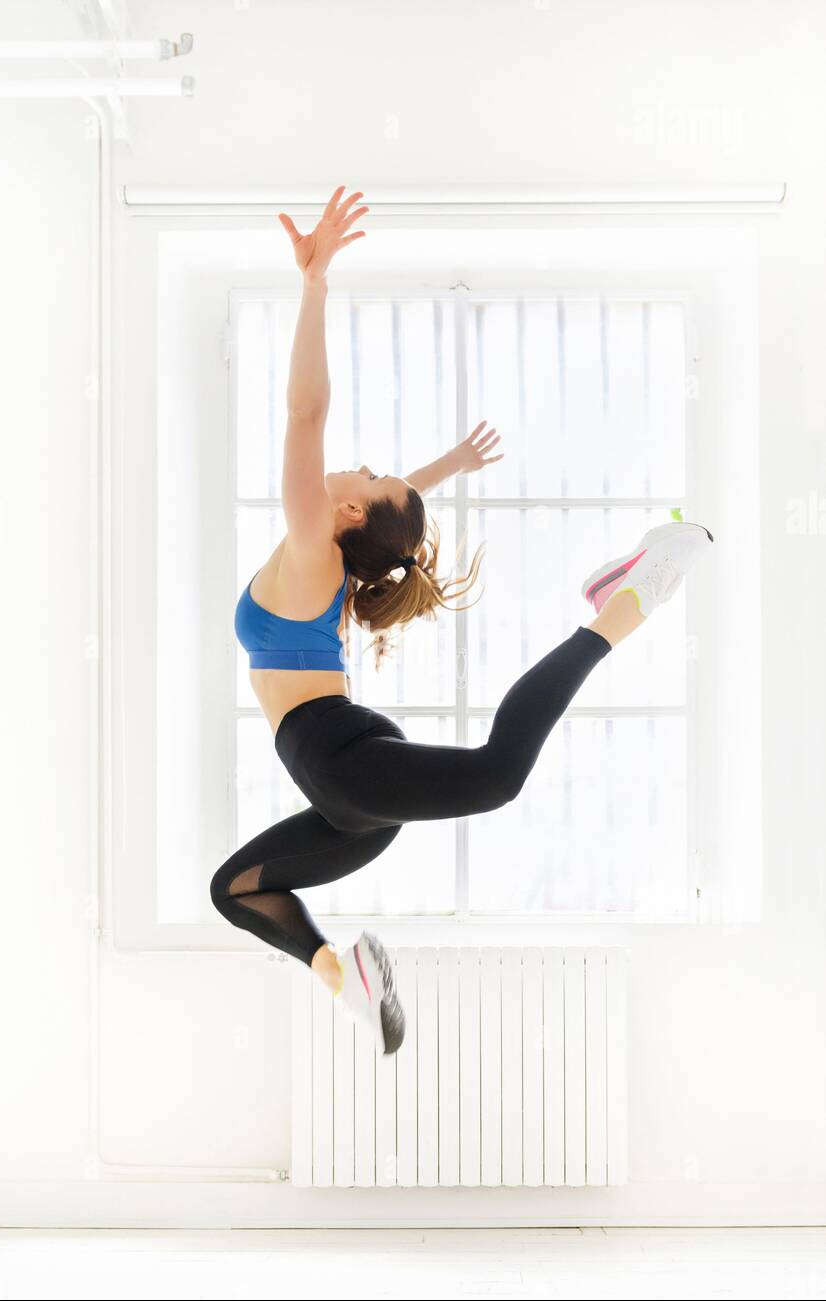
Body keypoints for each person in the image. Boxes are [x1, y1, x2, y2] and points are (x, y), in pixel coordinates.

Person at [210, 185, 713, 1055]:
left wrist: (316, 283)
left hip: (338, 766)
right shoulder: (340, 557)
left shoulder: (311, 551)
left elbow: (304, 415)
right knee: (240, 888)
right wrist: (442, 468)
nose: (359, 467)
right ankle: (351, 982)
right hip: (343, 782)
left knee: (493, 777)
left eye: (366, 478)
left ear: (348, 518)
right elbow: (393, 515)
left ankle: (624, 604)